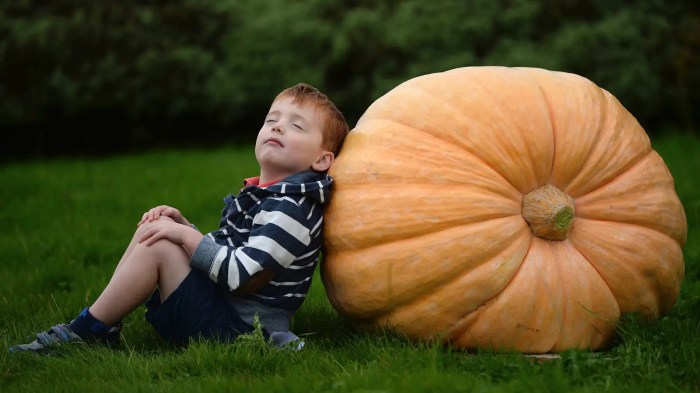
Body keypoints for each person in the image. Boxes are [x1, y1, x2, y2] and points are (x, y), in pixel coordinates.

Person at [10, 83, 349, 352]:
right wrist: (185, 227)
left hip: (243, 331)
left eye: (296, 126)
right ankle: (100, 324)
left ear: (321, 160)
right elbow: (228, 251)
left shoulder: (291, 208)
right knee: (156, 229)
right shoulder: (271, 196)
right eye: (271, 120)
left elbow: (244, 275)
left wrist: (185, 238)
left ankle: (89, 329)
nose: (277, 127)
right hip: (225, 312)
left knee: (160, 242)